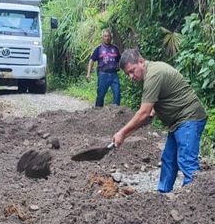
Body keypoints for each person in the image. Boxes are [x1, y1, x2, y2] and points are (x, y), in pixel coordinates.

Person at [112, 49, 207, 193]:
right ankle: (161, 197)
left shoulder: (153, 75)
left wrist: (122, 133)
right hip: (177, 121)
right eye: (127, 74)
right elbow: (164, 96)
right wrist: (153, 111)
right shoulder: (150, 72)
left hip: (188, 117)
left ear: (141, 62)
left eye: (132, 71)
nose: (131, 76)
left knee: (186, 161)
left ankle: (194, 198)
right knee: (168, 160)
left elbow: (143, 112)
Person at [87, 28, 121, 108]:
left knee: (117, 94)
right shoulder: (98, 49)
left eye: (108, 36)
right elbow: (91, 61)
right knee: (100, 95)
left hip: (114, 75)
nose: (107, 38)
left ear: (111, 37)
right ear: (102, 37)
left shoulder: (115, 49)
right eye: (105, 36)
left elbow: (120, 61)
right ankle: (97, 110)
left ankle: (116, 111)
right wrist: (88, 73)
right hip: (103, 74)